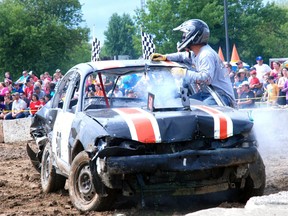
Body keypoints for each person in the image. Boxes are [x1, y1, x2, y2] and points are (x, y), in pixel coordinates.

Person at [150, 19, 235, 106]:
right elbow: (182, 56)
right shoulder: (197, 53)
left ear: (194, 35)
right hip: (209, 94)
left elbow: (206, 78)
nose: (183, 37)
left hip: (221, 97)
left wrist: (184, 73)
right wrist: (165, 57)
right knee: (179, 105)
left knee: (198, 111)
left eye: (184, 34)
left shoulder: (206, 54)